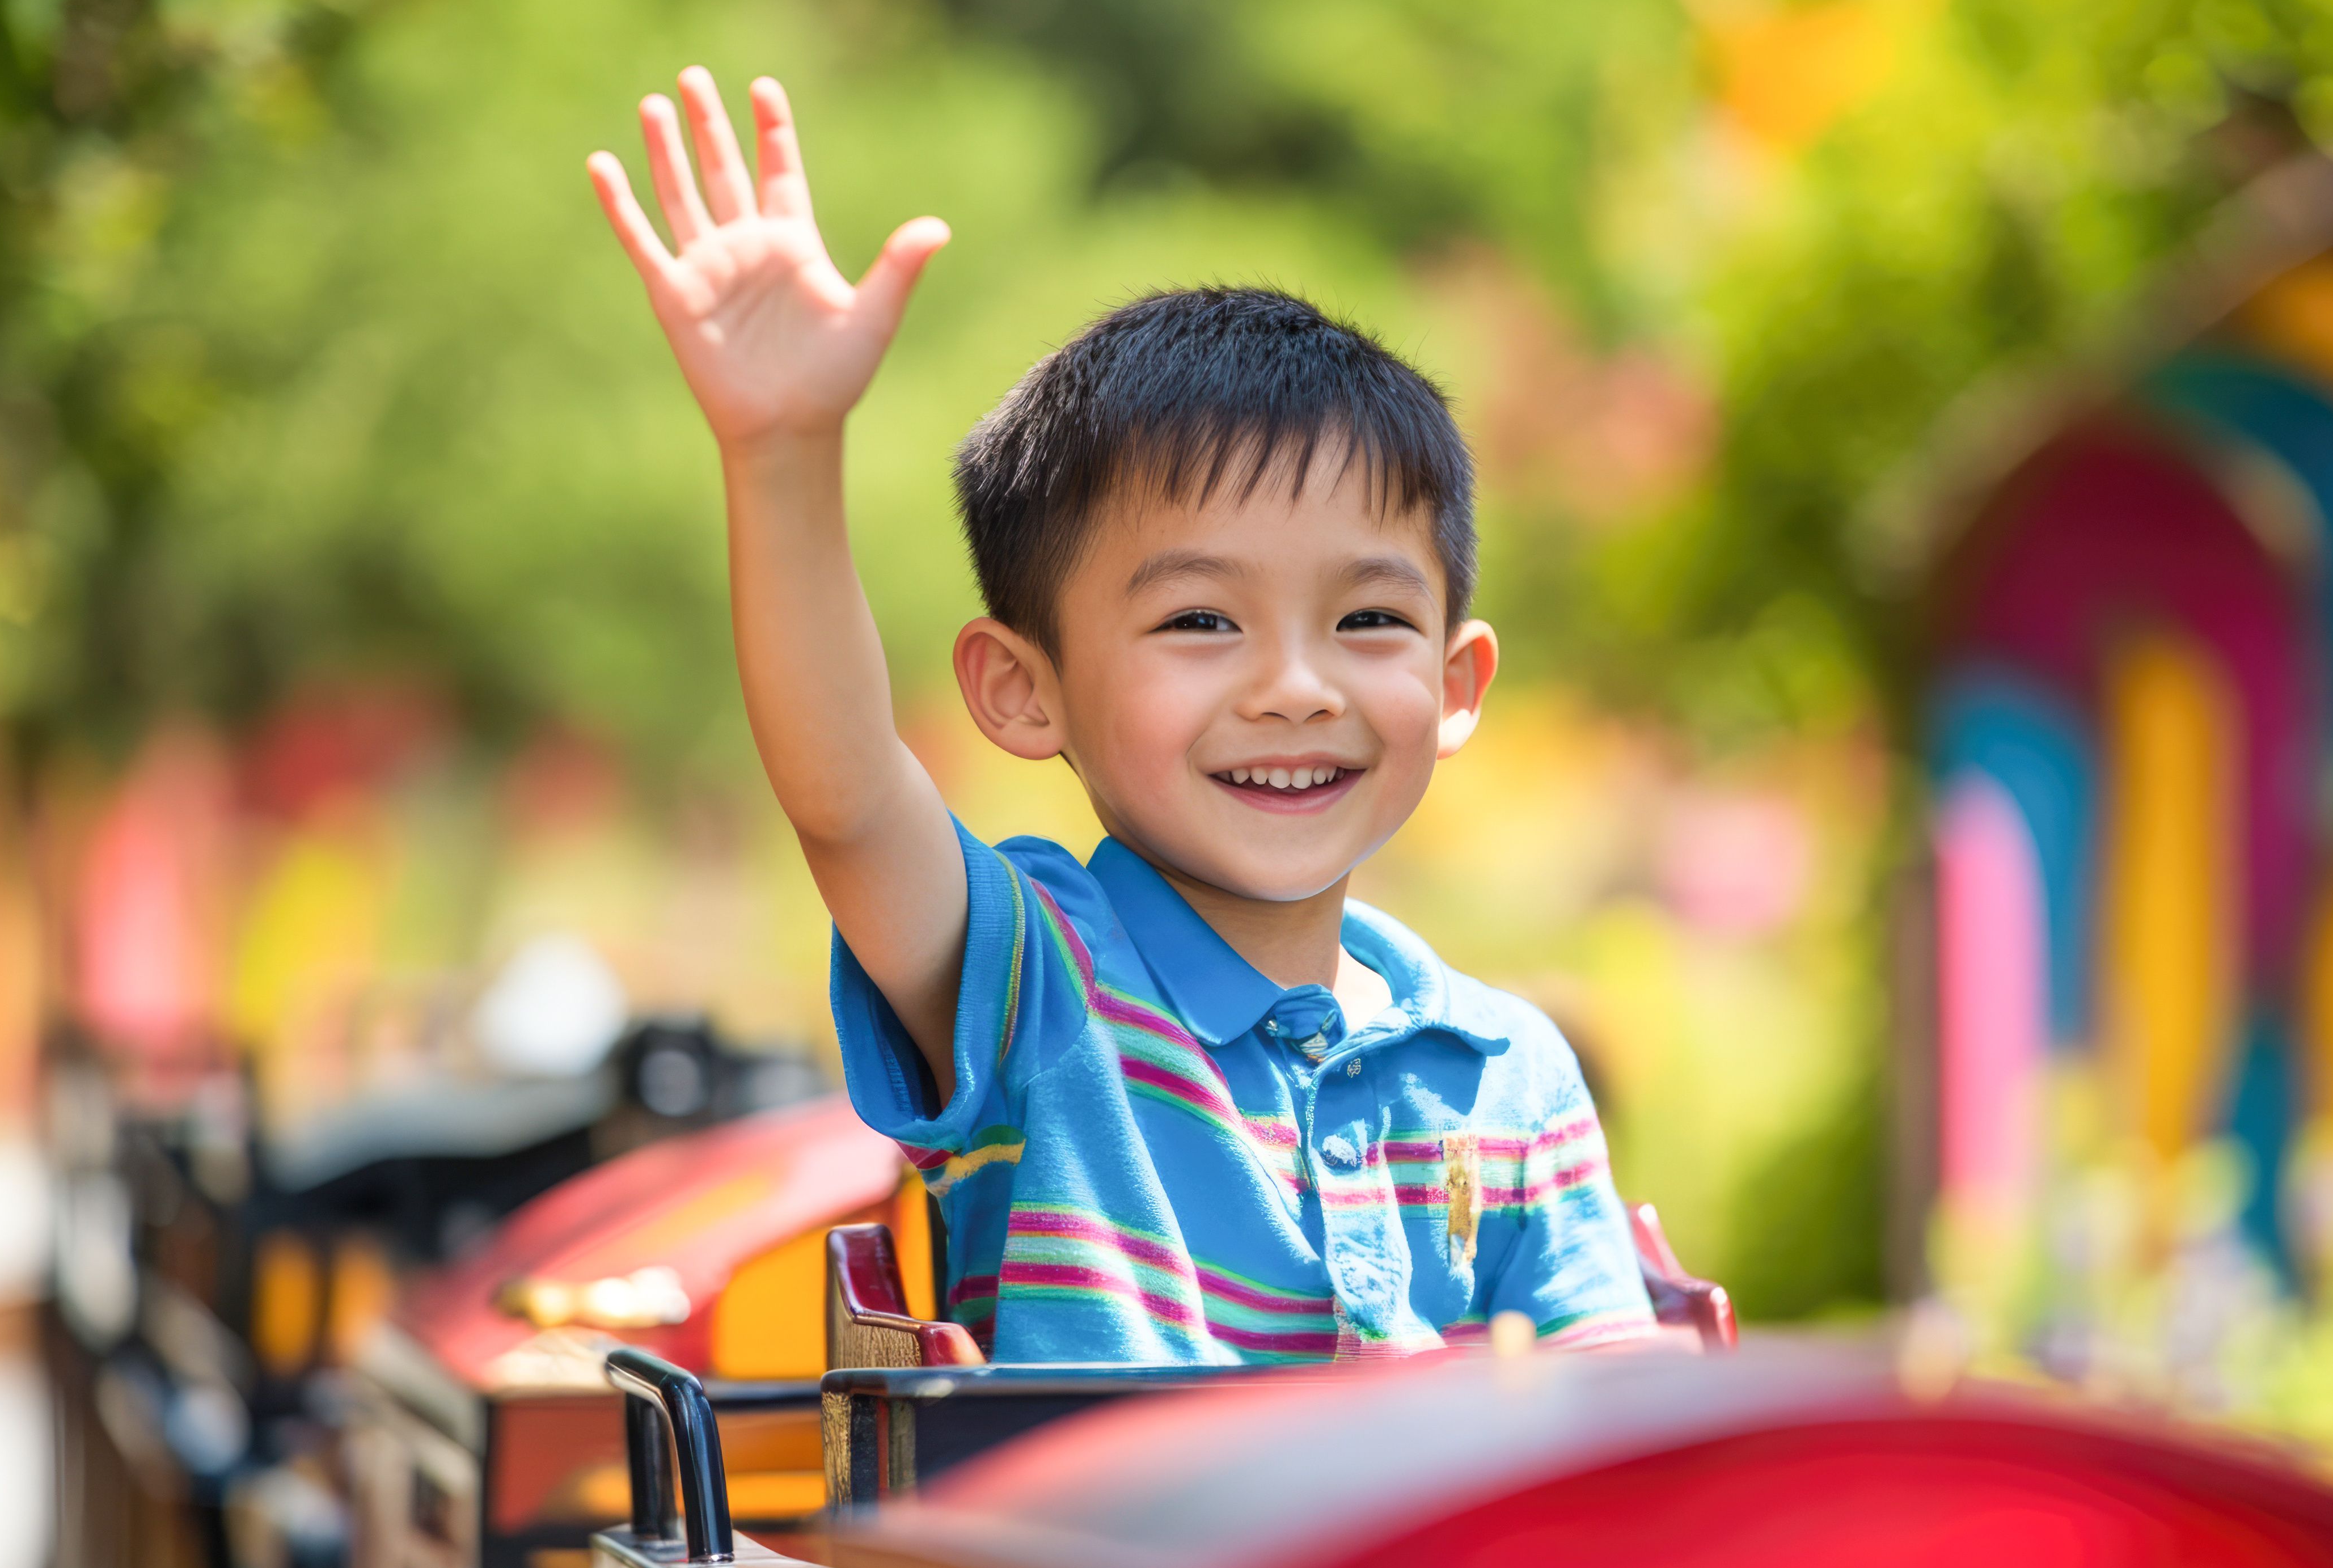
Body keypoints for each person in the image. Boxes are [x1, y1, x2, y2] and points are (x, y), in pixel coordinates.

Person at [588, 69, 1656, 1362]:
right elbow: (849, 794)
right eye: (1202, 621)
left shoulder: (1508, 1071)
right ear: (1023, 690)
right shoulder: (1037, 979)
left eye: (1368, 620)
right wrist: (780, 448)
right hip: (1107, 1567)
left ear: (1455, 681)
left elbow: (1620, 1392)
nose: (1295, 686)